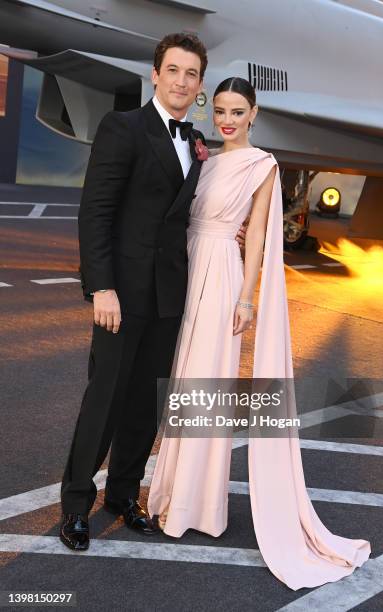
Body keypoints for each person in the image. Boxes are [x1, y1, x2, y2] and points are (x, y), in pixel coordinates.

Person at [147, 77, 372, 590]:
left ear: (255, 113)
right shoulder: (203, 157)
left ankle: (198, 507)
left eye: (238, 111)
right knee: (184, 382)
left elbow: (259, 238)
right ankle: (169, 494)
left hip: (225, 273)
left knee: (207, 383)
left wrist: (247, 298)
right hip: (186, 271)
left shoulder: (262, 165)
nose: (227, 120)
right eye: (221, 110)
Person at [59, 32, 245, 551]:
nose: (182, 81)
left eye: (192, 74)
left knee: (145, 405)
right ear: (155, 75)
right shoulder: (124, 127)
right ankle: (76, 505)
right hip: (121, 296)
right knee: (105, 400)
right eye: (174, 71)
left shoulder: (200, 143)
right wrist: (101, 287)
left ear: (200, 85)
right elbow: (95, 212)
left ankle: (122, 497)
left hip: (171, 297)